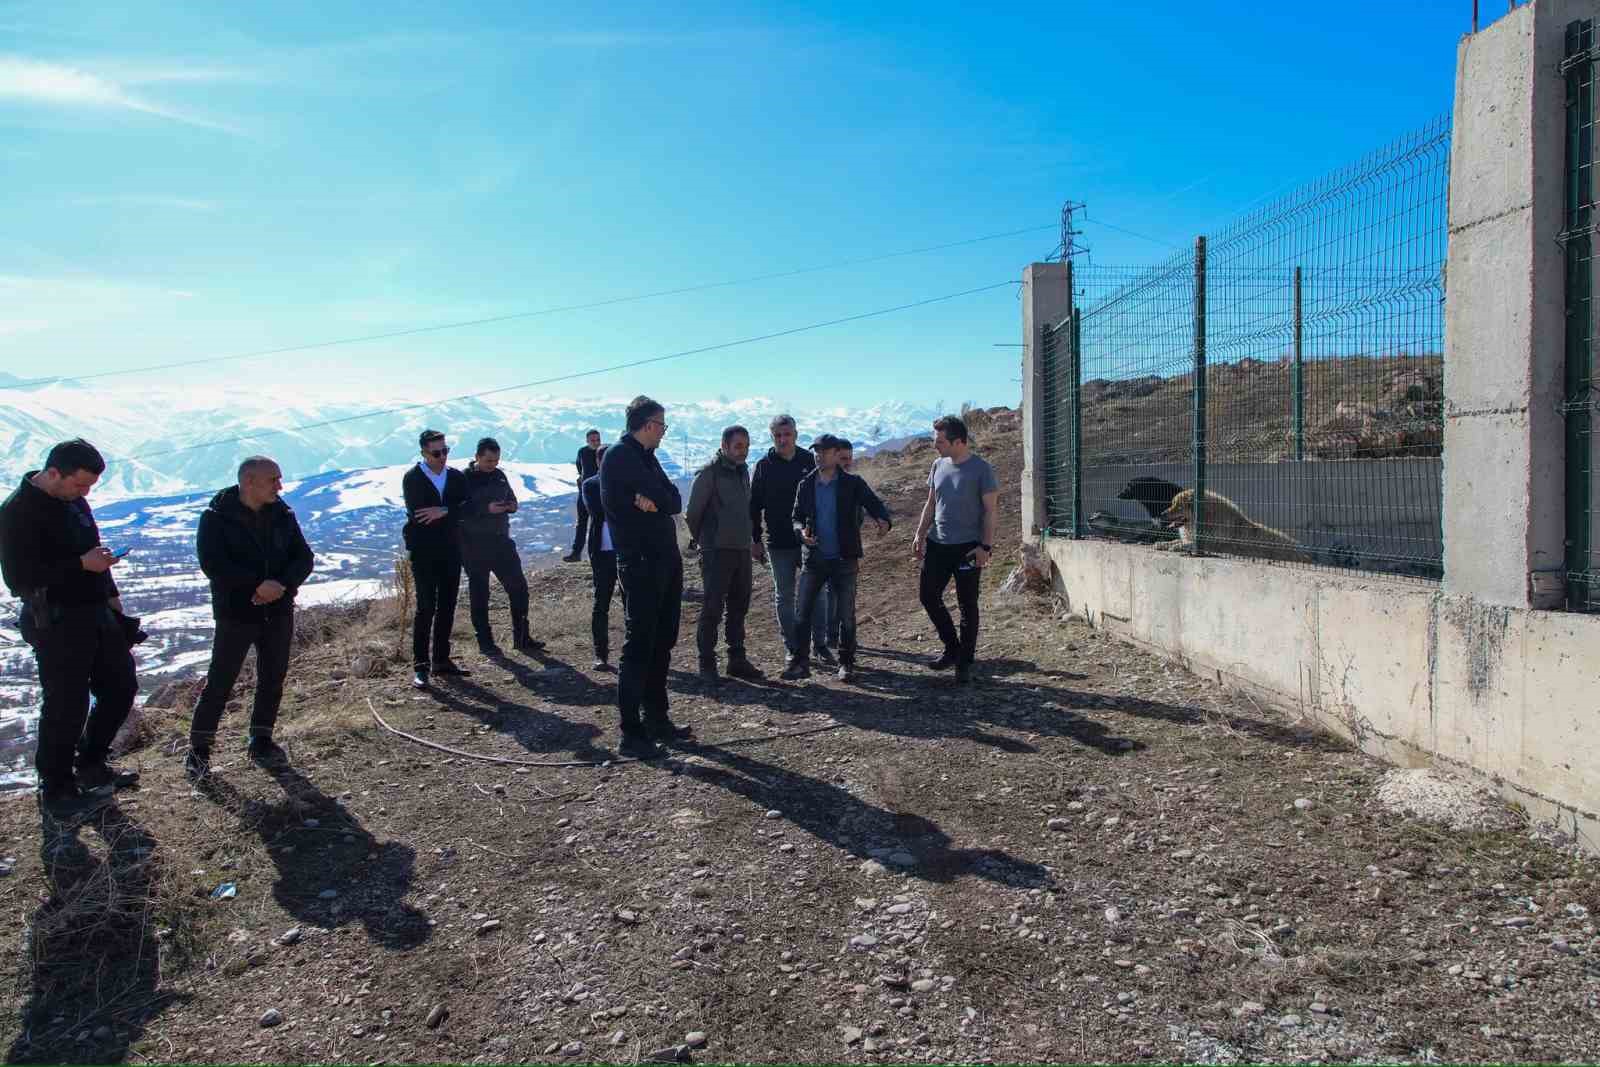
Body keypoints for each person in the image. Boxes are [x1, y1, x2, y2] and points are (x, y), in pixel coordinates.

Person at [0, 438, 140, 818]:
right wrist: (80, 565)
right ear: (53, 473)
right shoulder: (16, 511)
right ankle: (56, 785)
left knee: (121, 686)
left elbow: (94, 550)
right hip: (56, 619)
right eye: (79, 484)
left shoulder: (74, 500)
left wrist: (112, 599)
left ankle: (92, 762)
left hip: (96, 610)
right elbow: (19, 579)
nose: (84, 493)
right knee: (66, 703)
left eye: (89, 487)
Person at [187, 455, 315, 779]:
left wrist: (281, 584)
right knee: (221, 679)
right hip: (237, 612)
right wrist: (257, 585)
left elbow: (303, 556)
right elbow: (214, 564)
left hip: (279, 608)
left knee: (273, 675)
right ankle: (199, 749)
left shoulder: (282, 513)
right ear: (249, 483)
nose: (280, 486)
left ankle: (261, 737)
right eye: (273, 480)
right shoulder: (216, 517)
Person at [600, 396, 689, 755]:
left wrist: (656, 501)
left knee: (662, 641)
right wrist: (656, 501)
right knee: (639, 645)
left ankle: (657, 718)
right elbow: (663, 500)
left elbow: (673, 501)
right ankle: (631, 732)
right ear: (649, 425)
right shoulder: (620, 456)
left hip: (665, 560)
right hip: (640, 563)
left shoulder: (646, 458)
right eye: (663, 426)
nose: (664, 433)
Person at [781, 434, 891, 684]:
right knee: (802, 612)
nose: (819, 455)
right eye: (817, 451)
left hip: (844, 557)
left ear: (835, 453)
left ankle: (846, 663)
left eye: (825, 451)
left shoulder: (852, 483)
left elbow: (873, 503)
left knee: (846, 613)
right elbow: (796, 516)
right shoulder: (806, 484)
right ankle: (800, 662)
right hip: (814, 558)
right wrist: (801, 533)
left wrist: (883, 520)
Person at [913, 415, 999, 684]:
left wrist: (985, 546)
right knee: (928, 596)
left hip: (968, 548)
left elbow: (990, 512)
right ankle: (952, 647)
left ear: (958, 441)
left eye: (939, 441)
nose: (935, 445)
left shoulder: (981, 469)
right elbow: (931, 502)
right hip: (938, 544)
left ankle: (965, 661)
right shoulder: (937, 464)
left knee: (967, 605)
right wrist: (919, 533)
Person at [749, 415, 831, 667]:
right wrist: (755, 539)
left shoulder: (809, 460)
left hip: (809, 541)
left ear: (796, 434)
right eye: (778, 435)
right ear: (772, 437)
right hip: (778, 541)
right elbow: (754, 506)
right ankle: (793, 647)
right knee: (784, 595)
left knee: (817, 594)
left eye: (787, 434)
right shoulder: (764, 465)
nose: (783, 439)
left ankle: (820, 644)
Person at [685, 426, 764, 686]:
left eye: (746, 446)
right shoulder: (709, 473)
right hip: (716, 552)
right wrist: (707, 541)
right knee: (712, 608)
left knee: (739, 606)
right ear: (724, 445)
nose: (743, 451)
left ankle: (736, 659)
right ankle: (706, 662)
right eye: (738, 446)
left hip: (741, 549)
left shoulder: (742, 471)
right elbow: (693, 513)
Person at [460, 438, 544, 656]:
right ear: (477, 457)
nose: (492, 464)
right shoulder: (463, 479)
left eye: (496, 460)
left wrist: (511, 506)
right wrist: (485, 508)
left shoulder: (499, 475)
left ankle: (522, 637)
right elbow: (458, 509)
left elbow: (511, 498)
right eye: (488, 460)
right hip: (474, 545)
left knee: (519, 588)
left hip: (501, 541)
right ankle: (485, 642)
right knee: (480, 594)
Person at [402, 429, 471, 689]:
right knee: (426, 607)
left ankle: (441, 659)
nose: (442, 456)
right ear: (424, 452)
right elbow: (420, 515)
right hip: (424, 553)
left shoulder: (455, 477)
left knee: (447, 605)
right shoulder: (413, 478)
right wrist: (452, 512)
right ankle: (420, 666)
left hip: (452, 549)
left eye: (445, 451)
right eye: (436, 452)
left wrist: (444, 510)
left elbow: (469, 507)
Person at [581, 447, 622, 670]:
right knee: (602, 601)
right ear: (598, 462)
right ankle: (601, 653)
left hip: (626, 549)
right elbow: (597, 511)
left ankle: (632, 650)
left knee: (631, 601)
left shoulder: (626, 481)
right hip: (602, 551)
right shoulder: (591, 484)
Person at [565, 429, 603, 562]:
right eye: (593, 440)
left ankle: (596, 552)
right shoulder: (582, 452)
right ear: (587, 441)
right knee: (581, 522)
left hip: (598, 494)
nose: (596, 442)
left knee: (596, 523)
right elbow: (580, 468)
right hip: (583, 492)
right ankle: (576, 553)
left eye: (598, 440)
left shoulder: (603, 452)